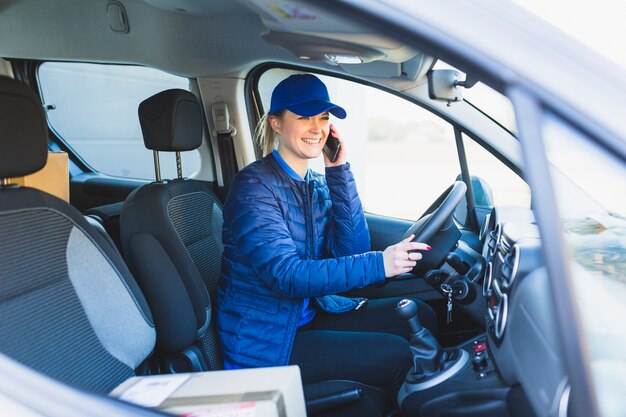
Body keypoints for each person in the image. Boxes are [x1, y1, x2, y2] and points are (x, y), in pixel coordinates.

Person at [216, 73, 438, 396]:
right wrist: (381, 263)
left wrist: (338, 172)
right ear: (276, 123)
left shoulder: (315, 184)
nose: (317, 128)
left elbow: (352, 251)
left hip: (308, 315)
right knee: (397, 356)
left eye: (323, 118)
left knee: (422, 316)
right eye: (304, 117)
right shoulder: (253, 187)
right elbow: (287, 276)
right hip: (266, 342)